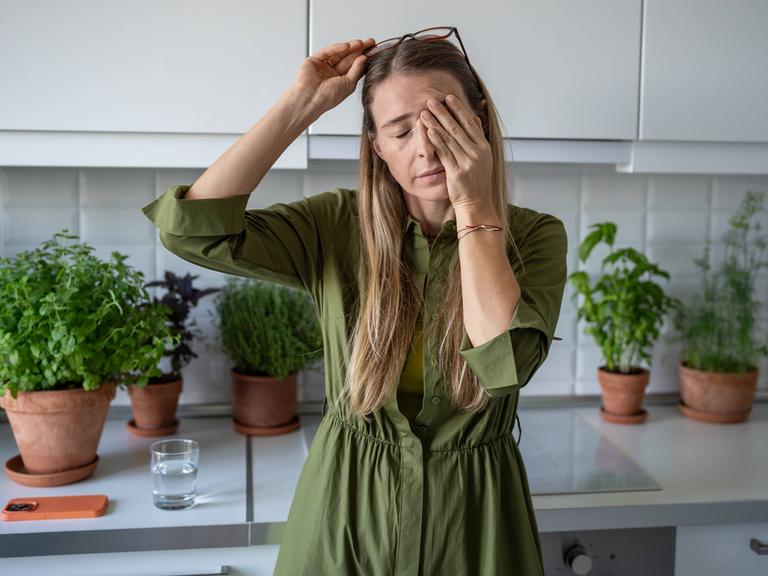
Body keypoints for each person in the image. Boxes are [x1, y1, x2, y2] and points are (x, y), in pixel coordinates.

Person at [143, 28, 567, 576]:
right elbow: (192, 232)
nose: (427, 146)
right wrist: (302, 104)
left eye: (445, 121)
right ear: (377, 146)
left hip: (476, 525)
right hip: (342, 513)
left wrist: (473, 202)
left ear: (480, 122)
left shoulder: (534, 238)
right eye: (401, 131)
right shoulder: (335, 225)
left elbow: (504, 365)